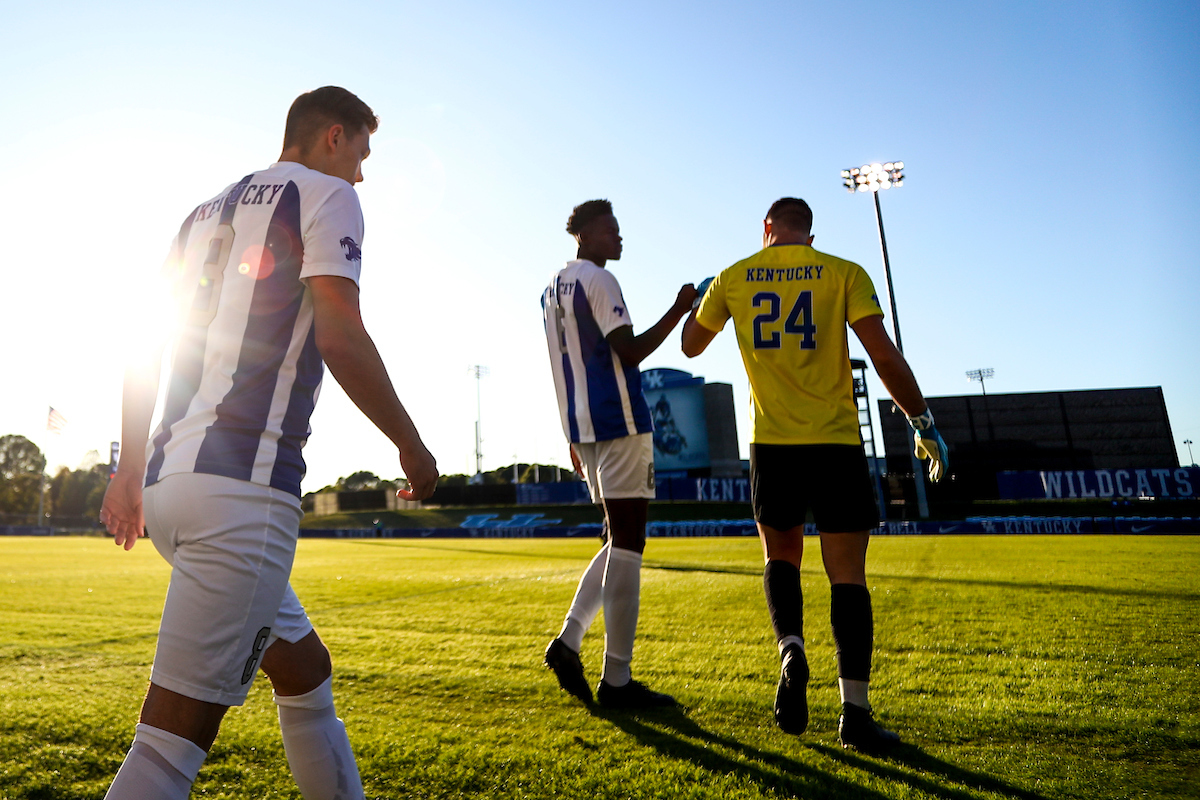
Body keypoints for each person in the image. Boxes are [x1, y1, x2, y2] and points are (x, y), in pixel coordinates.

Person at [99, 86, 438, 799]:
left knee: (305, 671)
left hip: (170, 486)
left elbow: (145, 347)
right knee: (167, 750)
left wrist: (130, 470)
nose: (363, 175)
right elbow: (340, 331)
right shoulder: (326, 193)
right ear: (333, 137)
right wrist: (411, 444)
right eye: (363, 154)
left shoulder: (200, 213)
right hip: (241, 494)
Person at [680, 197, 948, 751]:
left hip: (772, 444)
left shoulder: (735, 276)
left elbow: (691, 345)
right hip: (835, 442)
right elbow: (881, 352)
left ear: (766, 228)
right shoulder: (844, 273)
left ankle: (791, 650)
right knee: (847, 572)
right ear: (810, 231)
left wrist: (704, 297)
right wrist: (922, 420)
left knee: (781, 558)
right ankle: (855, 713)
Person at [541, 199, 697, 708]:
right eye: (612, 229)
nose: (620, 237)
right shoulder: (598, 280)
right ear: (584, 235)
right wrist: (678, 309)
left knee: (615, 539)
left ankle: (568, 642)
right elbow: (629, 352)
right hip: (621, 419)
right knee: (628, 542)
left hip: (584, 427)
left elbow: (567, 364)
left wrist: (570, 432)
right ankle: (618, 681)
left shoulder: (548, 288)